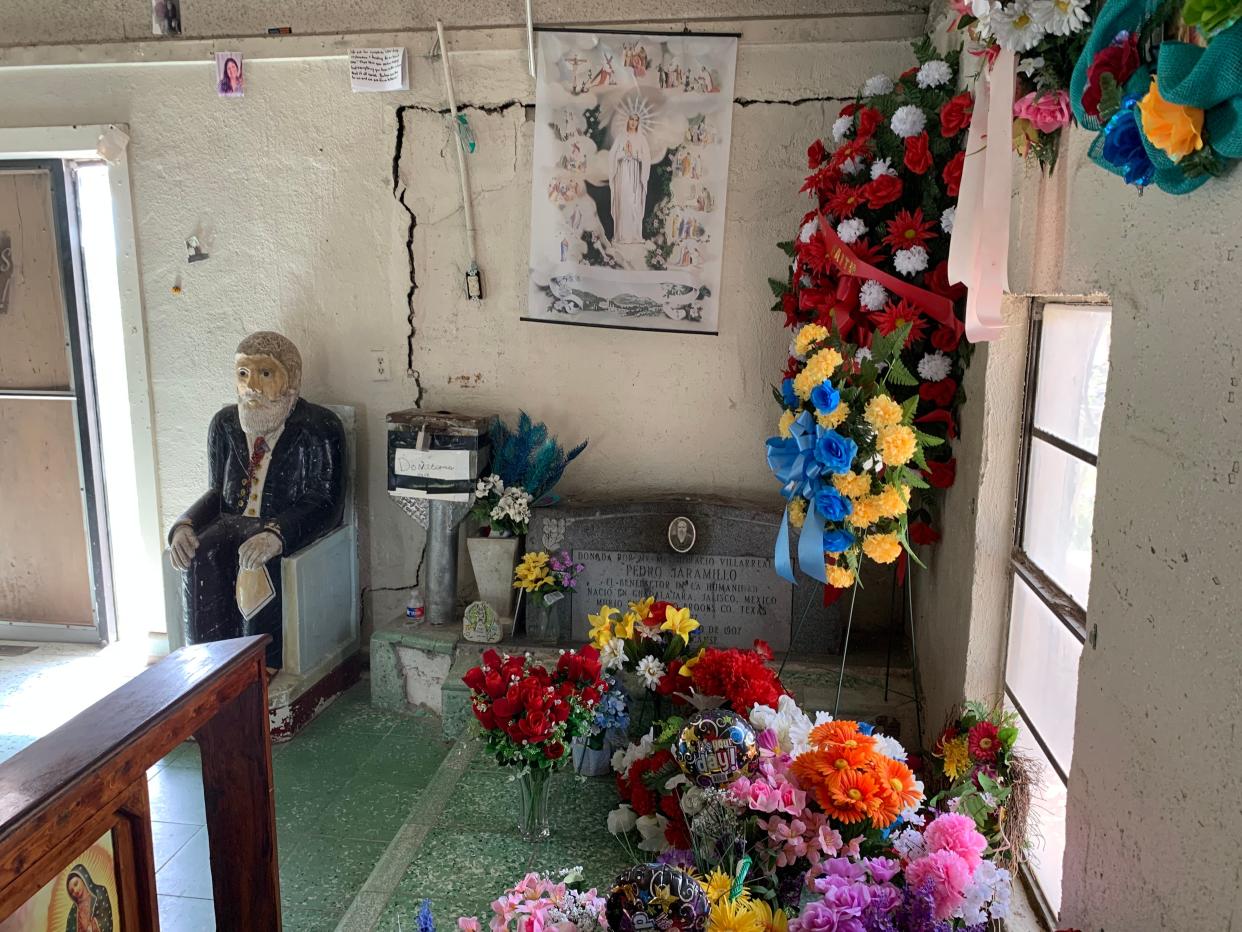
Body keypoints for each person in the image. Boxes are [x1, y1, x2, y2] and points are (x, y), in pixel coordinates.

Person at [169, 331, 345, 672]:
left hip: (284, 523)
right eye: (244, 374)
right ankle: (206, 662)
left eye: (265, 374)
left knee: (255, 559)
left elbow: (326, 502)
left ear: (291, 380)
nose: (252, 386)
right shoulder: (224, 425)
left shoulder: (319, 428)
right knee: (196, 555)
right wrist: (185, 525)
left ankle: (261, 665)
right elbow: (216, 494)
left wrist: (277, 534)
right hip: (231, 521)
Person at [608, 112, 651, 245]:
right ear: (627, 120)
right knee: (624, 201)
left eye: (636, 120)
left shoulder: (641, 138)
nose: (633, 122)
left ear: (638, 122)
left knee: (634, 202)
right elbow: (612, 156)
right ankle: (622, 235)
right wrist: (624, 153)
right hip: (623, 173)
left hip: (636, 174)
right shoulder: (621, 137)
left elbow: (647, 157)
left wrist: (635, 155)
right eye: (631, 119)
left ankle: (634, 235)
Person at [65, 865, 112, 932]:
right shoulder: (74, 910)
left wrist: (91, 927)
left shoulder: (100, 893)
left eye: (76, 884)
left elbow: (105, 922)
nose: (75, 891)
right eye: (72, 891)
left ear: (83, 878)